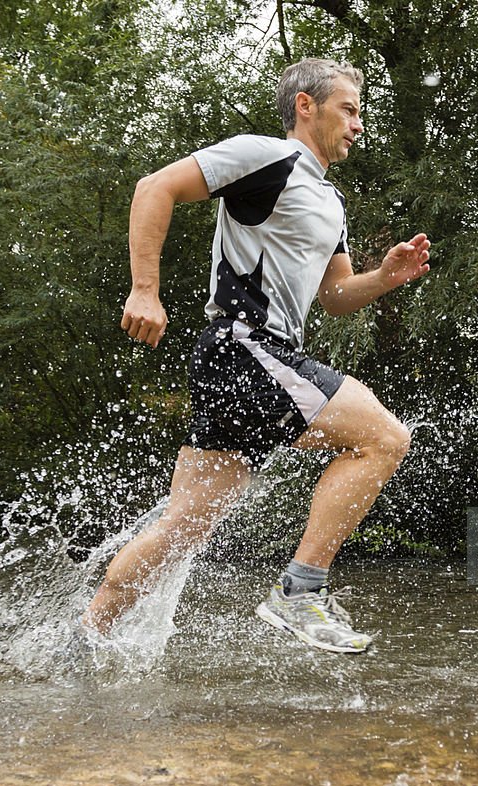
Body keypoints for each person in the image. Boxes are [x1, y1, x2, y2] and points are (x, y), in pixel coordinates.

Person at [80, 58, 430, 653]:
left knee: (183, 528)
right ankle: (301, 592)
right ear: (305, 106)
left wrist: (384, 278)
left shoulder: (328, 199)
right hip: (245, 346)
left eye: (360, 112)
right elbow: (154, 188)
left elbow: (336, 295)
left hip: (242, 358)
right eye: (348, 109)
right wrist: (145, 289)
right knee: (383, 439)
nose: (358, 123)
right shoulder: (266, 156)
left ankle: (83, 640)